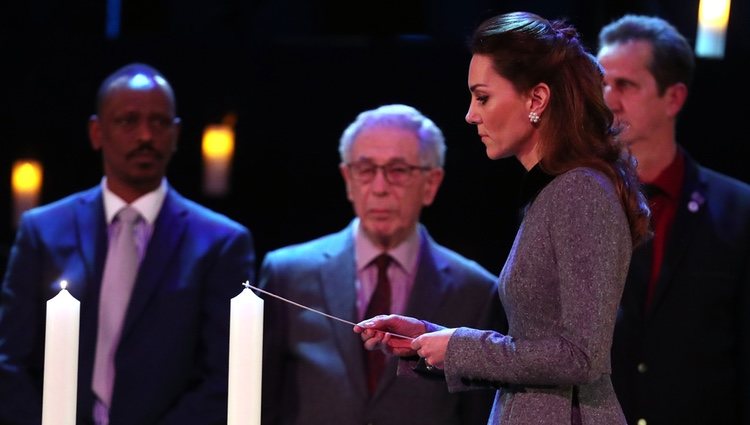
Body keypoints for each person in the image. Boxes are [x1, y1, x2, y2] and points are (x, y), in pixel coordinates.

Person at [354, 11, 652, 425]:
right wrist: (429, 340)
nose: (470, 115)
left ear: (537, 99)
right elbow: (532, 353)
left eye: (483, 97)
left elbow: (582, 356)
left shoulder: (581, 192)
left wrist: (459, 346)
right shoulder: (553, 192)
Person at [0, 63, 256, 425]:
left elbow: (225, 377)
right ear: (96, 132)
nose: (145, 136)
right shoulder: (43, 230)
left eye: (159, 122)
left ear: (176, 134)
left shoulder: (221, 243)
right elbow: (9, 360)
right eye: (128, 121)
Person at [257, 103, 507, 425]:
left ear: (431, 183)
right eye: (365, 170)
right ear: (348, 179)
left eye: (398, 171)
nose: (379, 188)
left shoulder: (476, 291)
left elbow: (480, 411)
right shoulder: (286, 274)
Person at [597, 15, 750, 425]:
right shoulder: (571, 200)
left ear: (673, 98)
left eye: (625, 85)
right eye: (601, 83)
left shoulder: (737, 211)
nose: (608, 99)